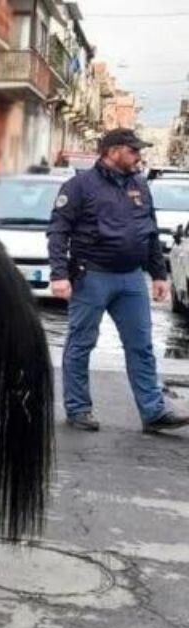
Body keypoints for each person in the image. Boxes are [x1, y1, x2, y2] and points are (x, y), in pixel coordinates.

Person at [47, 128, 189, 433]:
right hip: (92, 276)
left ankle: (153, 411)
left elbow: (149, 231)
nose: (139, 156)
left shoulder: (139, 184)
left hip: (132, 279)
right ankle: (78, 408)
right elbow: (58, 232)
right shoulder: (79, 186)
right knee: (81, 343)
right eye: (133, 150)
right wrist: (59, 275)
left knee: (141, 346)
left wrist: (159, 275)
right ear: (112, 152)